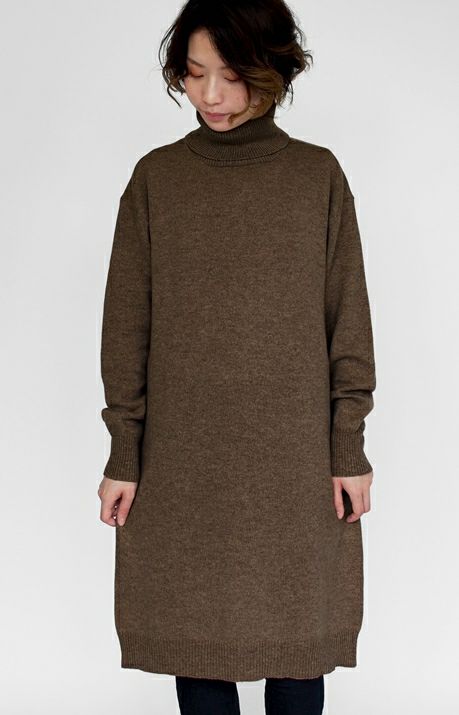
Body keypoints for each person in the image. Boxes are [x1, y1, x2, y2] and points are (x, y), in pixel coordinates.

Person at [97, 1, 377, 714]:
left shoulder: (316, 176)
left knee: (297, 646)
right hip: (183, 464)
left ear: (273, 70)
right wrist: (123, 454)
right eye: (194, 75)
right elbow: (126, 329)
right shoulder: (157, 180)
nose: (211, 95)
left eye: (231, 75)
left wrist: (349, 448)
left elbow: (347, 323)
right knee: (197, 644)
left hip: (295, 466)